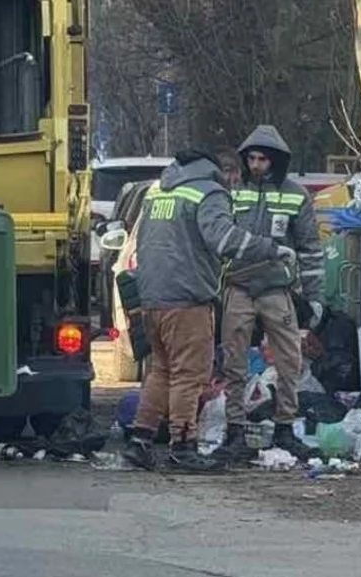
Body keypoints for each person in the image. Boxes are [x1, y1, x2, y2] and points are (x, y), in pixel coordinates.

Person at [124, 147, 288, 472]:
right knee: (189, 374)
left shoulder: (159, 191)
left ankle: (140, 441)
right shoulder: (207, 192)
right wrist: (271, 249)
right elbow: (224, 239)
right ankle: (182, 447)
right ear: (221, 171)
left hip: (152, 297)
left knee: (161, 370)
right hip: (186, 299)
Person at [216, 125, 323, 462]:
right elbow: (219, 240)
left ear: (275, 161)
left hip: (279, 289)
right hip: (239, 286)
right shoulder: (232, 191)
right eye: (251, 158)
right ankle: (234, 429)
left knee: (289, 361)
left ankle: (285, 428)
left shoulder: (295, 194)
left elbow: (310, 248)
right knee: (233, 361)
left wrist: (315, 299)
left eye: (263, 159)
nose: (256, 165)